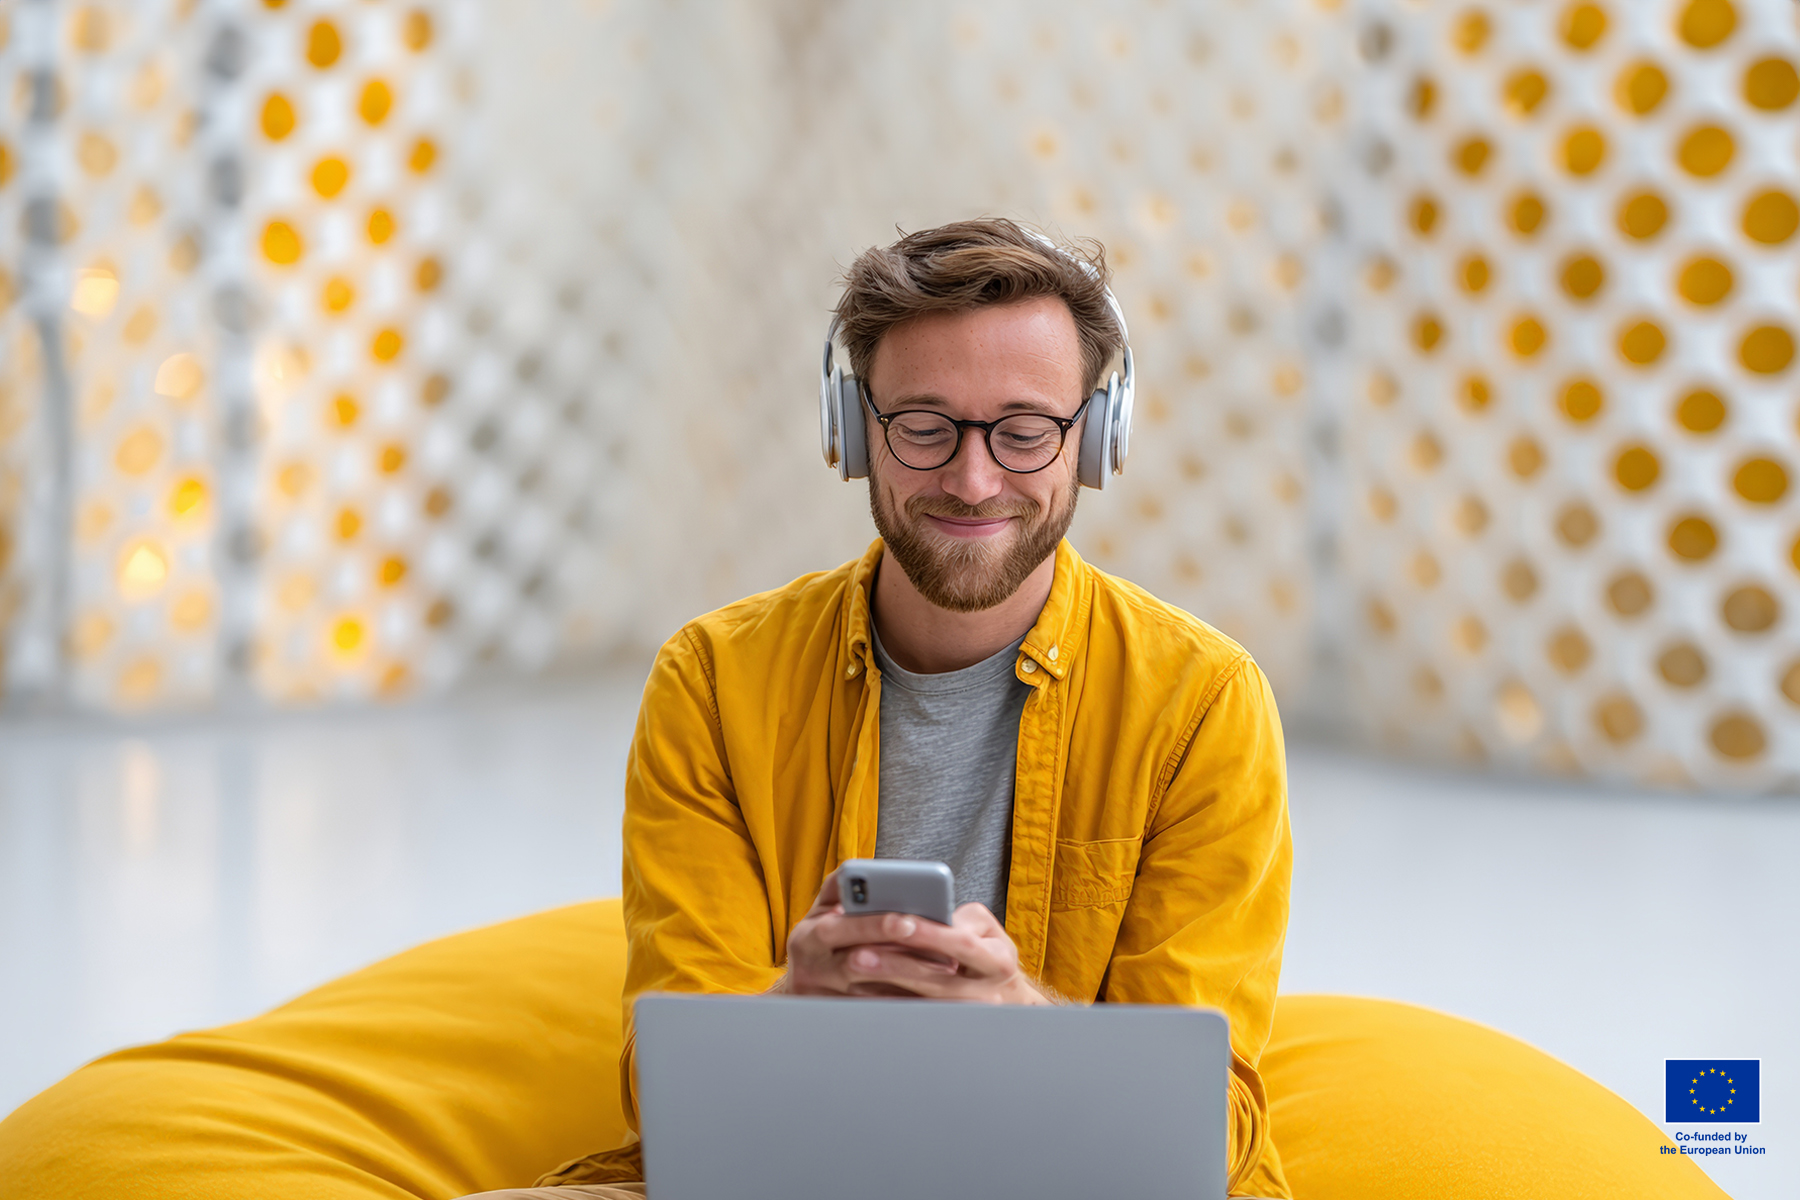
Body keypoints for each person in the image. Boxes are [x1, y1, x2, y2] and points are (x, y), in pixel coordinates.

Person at [470, 218, 1293, 1199]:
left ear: (1096, 440)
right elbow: (674, 1094)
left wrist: (1022, 1024)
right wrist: (791, 1008)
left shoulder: (1204, 704)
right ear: (853, 431)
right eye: (924, 426)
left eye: (1025, 430)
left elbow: (1204, 1134)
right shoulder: (713, 682)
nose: (973, 480)